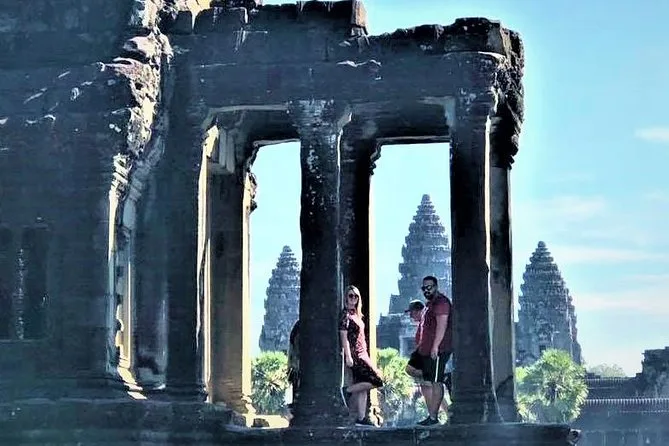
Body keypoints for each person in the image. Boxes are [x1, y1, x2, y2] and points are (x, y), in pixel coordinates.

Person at [339, 285, 384, 427]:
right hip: (356, 354)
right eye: (351, 295)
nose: (353, 298)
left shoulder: (357, 315)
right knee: (377, 380)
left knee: (363, 386)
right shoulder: (345, 315)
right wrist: (348, 356)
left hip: (363, 352)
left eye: (356, 296)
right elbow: (343, 336)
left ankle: (361, 417)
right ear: (346, 297)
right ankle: (346, 391)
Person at [415, 275, 452, 426]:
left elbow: (442, 326)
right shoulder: (431, 304)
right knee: (432, 380)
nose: (426, 290)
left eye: (429, 287)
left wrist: (435, 346)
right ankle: (433, 416)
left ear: (436, 287)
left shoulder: (441, 303)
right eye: (424, 288)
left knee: (436, 382)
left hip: (440, 348)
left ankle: (433, 417)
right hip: (430, 349)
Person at [404, 299, 450, 418]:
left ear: (418, 311)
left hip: (429, 355)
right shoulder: (422, 323)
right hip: (425, 355)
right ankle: (443, 414)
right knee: (430, 386)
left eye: (412, 313)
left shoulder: (427, 319)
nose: (411, 316)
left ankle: (433, 416)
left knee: (428, 385)